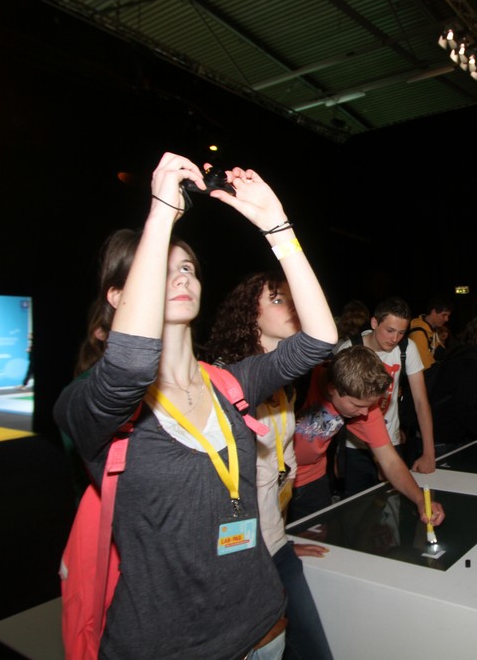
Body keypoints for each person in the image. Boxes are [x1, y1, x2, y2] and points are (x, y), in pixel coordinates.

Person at [55, 152, 336, 659]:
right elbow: (131, 367)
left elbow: (319, 339)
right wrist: (161, 215)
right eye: (163, 271)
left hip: (263, 631)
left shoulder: (230, 384)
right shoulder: (89, 404)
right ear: (119, 296)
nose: (181, 277)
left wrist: (278, 229)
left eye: (186, 267)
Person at [206, 272, 334, 660]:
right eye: (278, 300)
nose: (291, 308)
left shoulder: (285, 385)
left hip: (275, 543)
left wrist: (283, 537)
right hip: (240, 556)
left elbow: (283, 466)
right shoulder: (223, 381)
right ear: (250, 314)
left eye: (292, 300)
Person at [287, 346, 446, 529]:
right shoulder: (295, 385)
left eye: (368, 406)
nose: (364, 413)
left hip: (311, 478)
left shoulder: (365, 404)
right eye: (357, 405)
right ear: (333, 388)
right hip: (272, 478)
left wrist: (420, 500)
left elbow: (390, 461)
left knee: (314, 537)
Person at [335, 297, 437, 490]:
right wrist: (376, 459)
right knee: (356, 505)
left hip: (391, 443)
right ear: (374, 323)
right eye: (389, 330)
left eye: (401, 332)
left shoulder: (407, 348)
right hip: (355, 447)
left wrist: (429, 452)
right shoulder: (349, 349)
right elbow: (339, 406)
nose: (395, 338)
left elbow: (421, 402)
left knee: (393, 503)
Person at [407, 296, 452, 370]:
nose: (447, 319)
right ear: (434, 312)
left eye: (448, 316)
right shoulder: (418, 333)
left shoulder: (430, 330)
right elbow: (426, 367)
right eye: (444, 315)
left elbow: (441, 352)